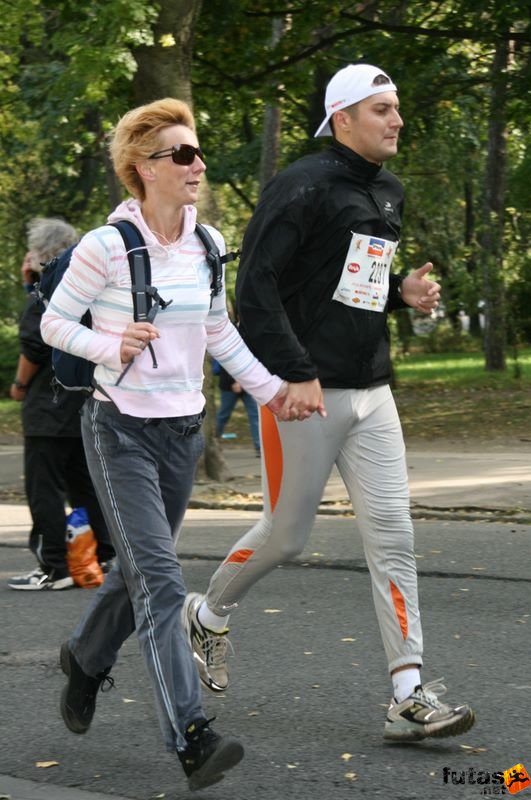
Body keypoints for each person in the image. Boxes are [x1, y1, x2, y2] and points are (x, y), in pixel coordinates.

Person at [182, 63, 476, 743]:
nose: (396, 119)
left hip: (373, 392)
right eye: (382, 109)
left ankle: (407, 694)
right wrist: (294, 372)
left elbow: (351, 283)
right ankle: (209, 613)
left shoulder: (389, 191)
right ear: (343, 117)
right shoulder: (301, 185)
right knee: (287, 536)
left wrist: (400, 289)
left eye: (396, 107)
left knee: (394, 539)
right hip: (300, 397)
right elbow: (254, 290)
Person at [40, 98, 294, 790]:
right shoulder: (104, 246)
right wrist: (107, 342)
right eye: (181, 154)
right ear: (142, 169)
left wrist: (271, 390)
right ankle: (190, 735)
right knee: (160, 579)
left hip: (182, 431)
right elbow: (55, 323)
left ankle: (85, 657)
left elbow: (218, 331)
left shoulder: (207, 244)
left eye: (197, 150)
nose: (197, 163)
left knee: (135, 572)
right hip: (117, 426)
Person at [9, 218, 115, 591]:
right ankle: (100, 554)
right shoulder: (87, 285)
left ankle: (53, 564)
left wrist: (20, 385)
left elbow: (34, 347)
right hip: (83, 401)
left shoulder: (45, 293)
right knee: (83, 484)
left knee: (45, 488)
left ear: (40, 253)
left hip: (46, 406)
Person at [214, 359, 261, 454]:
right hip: (229, 386)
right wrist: (234, 381)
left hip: (248, 386)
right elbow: (226, 363)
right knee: (223, 415)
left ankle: (259, 446)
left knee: (255, 415)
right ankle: (214, 442)